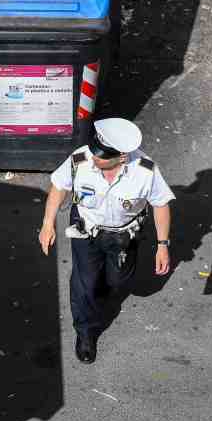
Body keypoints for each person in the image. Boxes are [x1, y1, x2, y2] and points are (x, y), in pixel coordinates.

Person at [38, 118, 175, 363]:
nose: (94, 158)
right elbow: (58, 186)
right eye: (94, 151)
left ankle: (101, 286)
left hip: (124, 236)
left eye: (101, 157)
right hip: (87, 232)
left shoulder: (145, 171)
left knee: (117, 280)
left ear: (122, 156)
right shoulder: (81, 159)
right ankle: (86, 333)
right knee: (85, 283)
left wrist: (163, 245)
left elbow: (160, 204)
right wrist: (48, 223)